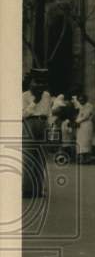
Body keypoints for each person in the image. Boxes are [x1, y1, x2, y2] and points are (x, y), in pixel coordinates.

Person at [22, 70, 52, 198]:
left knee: (41, 158)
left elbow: (48, 112)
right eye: (36, 82)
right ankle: (27, 190)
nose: (39, 85)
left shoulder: (47, 95)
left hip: (43, 124)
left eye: (42, 83)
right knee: (29, 156)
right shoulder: (25, 96)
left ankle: (38, 189)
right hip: (30, 124)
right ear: (30, 83)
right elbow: (23, 115)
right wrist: (34, 101)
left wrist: (50, 127)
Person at [73, 93, 95, 164]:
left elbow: (86, 116)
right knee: (80, 141)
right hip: (80, 126)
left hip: (86, 125)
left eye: (82, 100)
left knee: (86, 141)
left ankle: (87, 158)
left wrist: (77, 121)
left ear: (85, 99)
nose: (80, 101)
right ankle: (81, 158)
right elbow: (79, 116)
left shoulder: (89, 106)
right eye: (79, 100)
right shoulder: (81, 106)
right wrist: (76, 121)